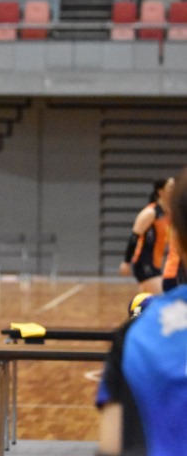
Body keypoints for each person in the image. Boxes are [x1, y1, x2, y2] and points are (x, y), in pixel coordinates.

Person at [97, 167, 187, 455]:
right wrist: (129, 263)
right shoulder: (149, 213)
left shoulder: (131, 337)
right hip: (147, 265)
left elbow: (111, 447)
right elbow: (135, 240)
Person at [118, 178, 174, 294]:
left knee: (148, 300)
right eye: (171, 188)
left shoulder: (167, 214)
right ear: (161, 192)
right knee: (163, 297)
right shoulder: (150, 213)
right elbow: (134, 237)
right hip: (144, 263)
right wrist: (126, 262)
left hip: (156, 264)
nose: (175, 190)